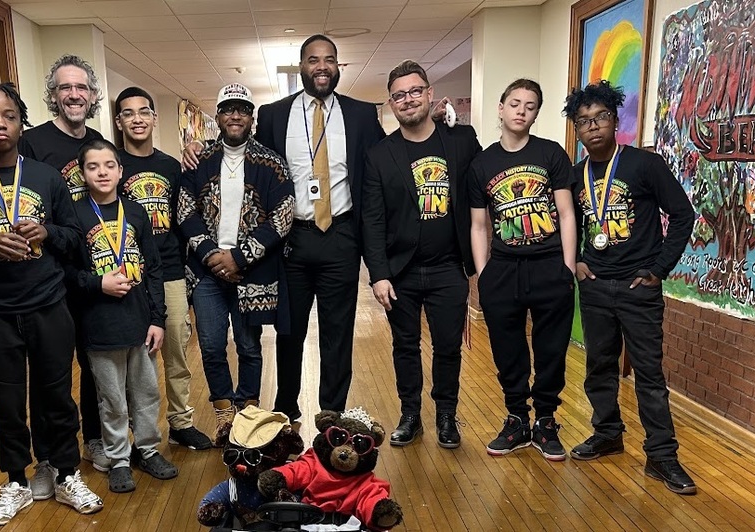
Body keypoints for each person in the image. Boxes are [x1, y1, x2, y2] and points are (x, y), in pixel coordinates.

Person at [181, 34, 385, 422]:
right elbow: (241, 150)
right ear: (301, 66)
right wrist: (197, 147)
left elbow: (386, 160)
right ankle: (287, 408)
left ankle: (331, 413)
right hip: (292, 240)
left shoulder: (361, 114)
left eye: (329, 59)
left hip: (342, 235)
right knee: (289, 330)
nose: (321, 66)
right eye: (313, 59)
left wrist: (440, 125)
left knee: (338, 332)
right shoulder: (275, 114)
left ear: (338, 66)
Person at [0, 81, 102, 526]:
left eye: (9, 116)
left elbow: (75, 237)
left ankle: (66, 473)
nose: (0, 123)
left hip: (49, 303)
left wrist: (47, 232)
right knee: (6, 401)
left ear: (21, 123)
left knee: (57, 395)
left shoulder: (47, 178)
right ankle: (16, 480)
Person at [564, 80, 697, 494]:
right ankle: (607, 434)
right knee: (598, 368)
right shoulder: (575, 175)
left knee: (649, 375)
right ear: (576, 129)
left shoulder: (644, 165)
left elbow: (683, 215)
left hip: (639, 288)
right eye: (583, 121)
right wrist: (577, 262)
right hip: (595, 287)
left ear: (615, 120)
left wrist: (659, 268)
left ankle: (662, 456)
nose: (593, 127)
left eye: (600, 117)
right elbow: (569, 224)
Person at [361, 60, 480, 449]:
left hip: (449, 267)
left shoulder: (461, 140)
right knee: (405, 347)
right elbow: (372, 220)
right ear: (391, 104)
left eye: (415, 91)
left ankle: (446, 414)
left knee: (448, 347)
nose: (408, 100)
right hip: (401, 271)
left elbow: (484, 185)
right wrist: (379, 274)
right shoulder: (380, 155)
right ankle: (410, 415)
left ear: (430, 94)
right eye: (399, 95)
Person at [177, 83, 294, 442]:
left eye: (243, 109)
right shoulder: (199, 160)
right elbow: (185, 212)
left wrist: (239, 257)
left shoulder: (271, 162)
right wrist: (212, 255)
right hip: (207, 272)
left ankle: (248, 414)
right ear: (218, 116)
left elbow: (283, 216)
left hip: (251, 272)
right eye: (228, 109)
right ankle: (225, 413)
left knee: (249, 347)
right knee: (212, 346)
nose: (235, 115)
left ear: (251, 117)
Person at [468, 79, 577, 462]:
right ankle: (516, 418)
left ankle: (545, 421)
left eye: (530, 106)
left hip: (549, 267)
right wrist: (484, 275)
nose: (521, 111)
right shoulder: (482, 164)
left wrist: (567, 268)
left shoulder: (551, 153)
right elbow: (478, 225)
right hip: (503, 270)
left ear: (536, 114)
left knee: (551, 350)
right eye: (515, 103)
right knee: (508, 350)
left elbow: (566, 213)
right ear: (501, 108)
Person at [68, 138, 179, 494]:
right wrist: (97, 283)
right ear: (82, 173)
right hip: (99, 325)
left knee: (146, 393)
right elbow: (67, 274)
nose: (101, 172)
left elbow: (154, 268)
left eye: (108, 165)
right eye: (92, 166)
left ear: (120, 171)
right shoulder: (73, 216)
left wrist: (157, 319)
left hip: (139, 322)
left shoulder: (136, 212)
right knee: (112, 398)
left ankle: (147, 450)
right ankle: (118, 458)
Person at [18, 54, 110, 477]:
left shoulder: (99, 141)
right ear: (53, 96)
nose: (74, 95)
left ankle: (94, 438)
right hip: (50, 275)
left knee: (95, 364)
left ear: (92, 95)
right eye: (64, 88)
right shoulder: (32, 143)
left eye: (81, 87)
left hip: (93, 270)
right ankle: (50, 455)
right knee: (50, 371)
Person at [114, 86, 212, 451]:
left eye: (144, 112)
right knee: (134, 357)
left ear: (155, 118)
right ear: (119, 121)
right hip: (127, 272)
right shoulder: (112, 165)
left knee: (176, 349)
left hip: (170, 269)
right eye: (128, 113)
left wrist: (199, 145)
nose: (137, 119)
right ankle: (136, 432)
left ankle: (181, 422)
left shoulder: (173, 166)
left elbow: (186, 215)